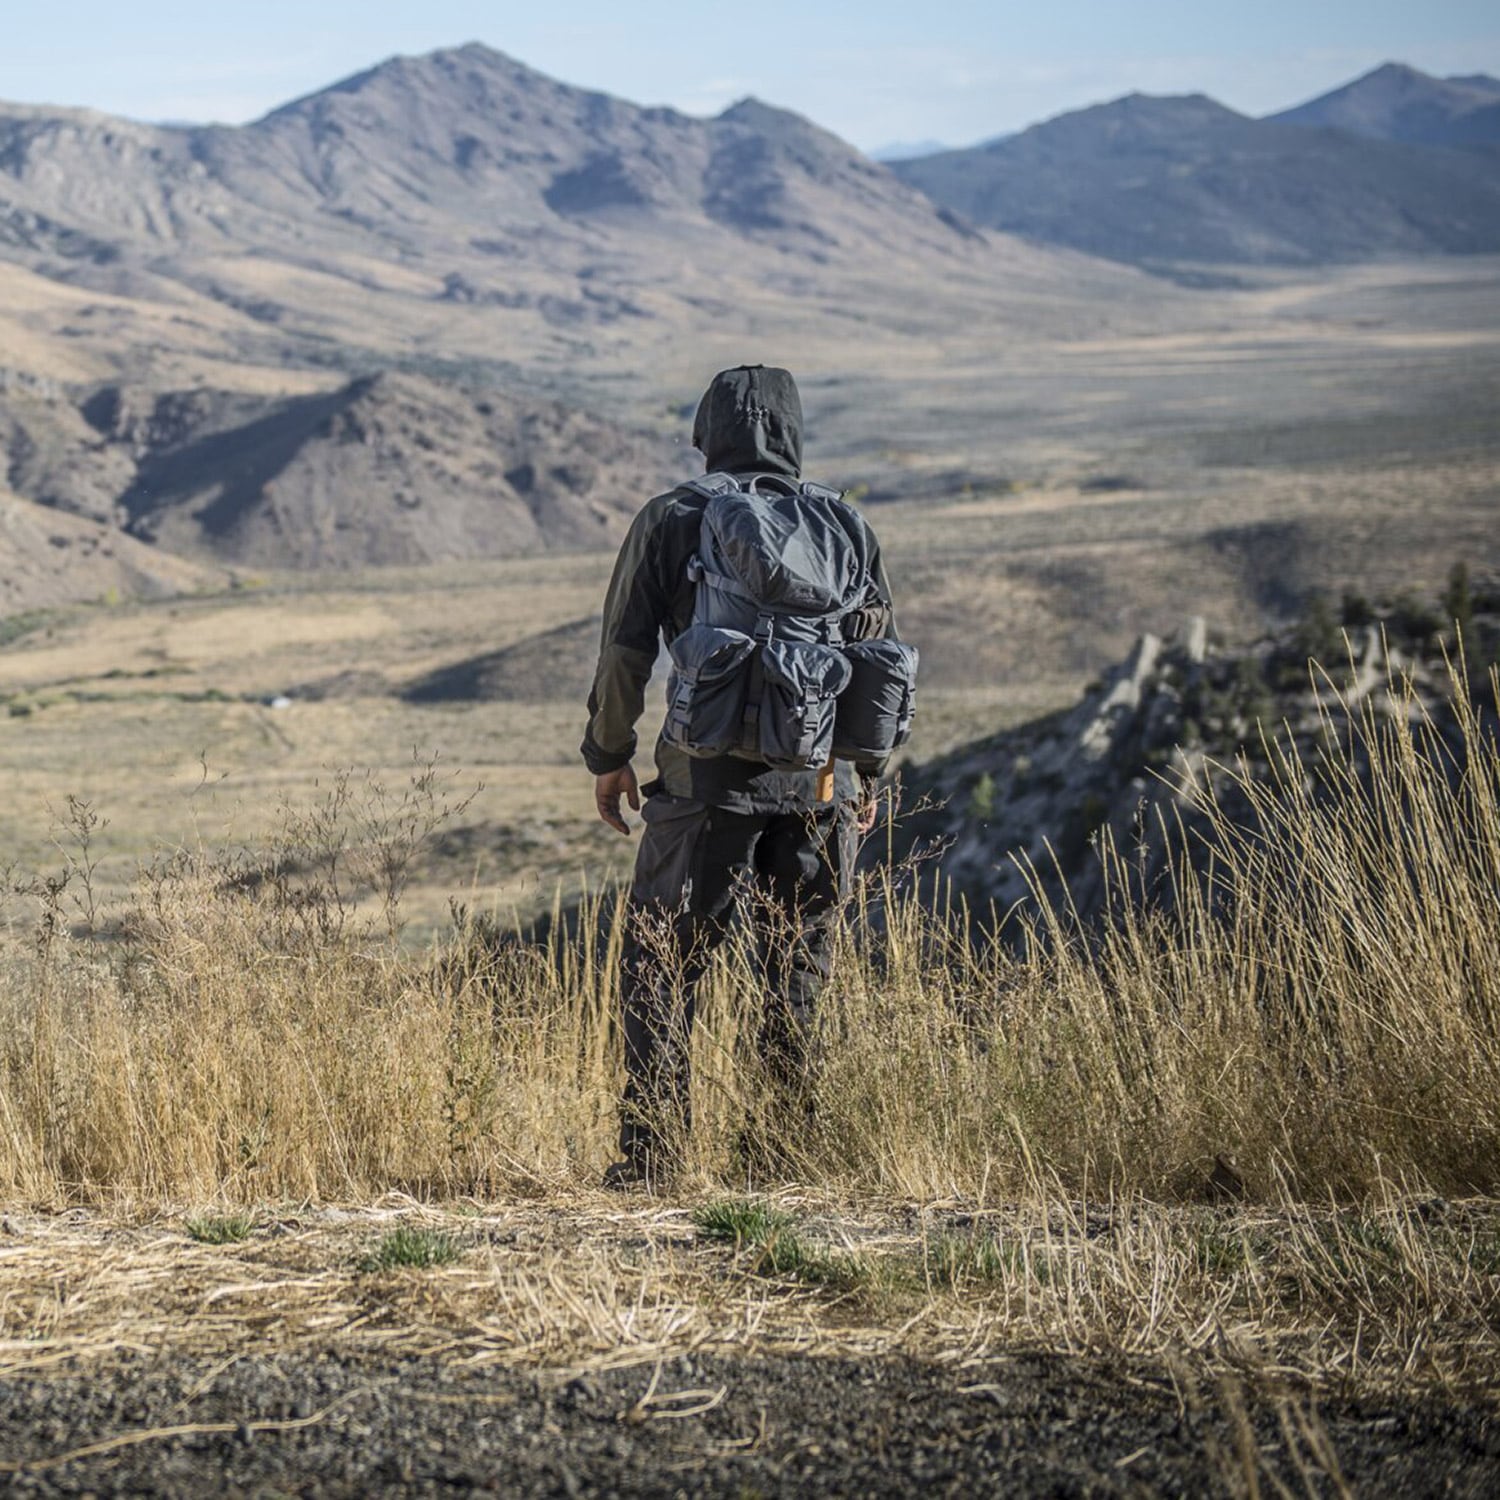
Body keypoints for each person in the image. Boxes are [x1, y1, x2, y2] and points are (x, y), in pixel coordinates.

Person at [581, 364, 900, 1189]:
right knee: (795, 970)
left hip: (702, 785)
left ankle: (652, 1165)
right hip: (820, 787)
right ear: (793, 434)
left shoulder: (676, 516)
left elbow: (625, 650)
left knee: (664, 968)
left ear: (706, 431)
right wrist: (863, 775)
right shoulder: (844, 524)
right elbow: (876, 662)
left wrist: (608, 755)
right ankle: (782, 1163)